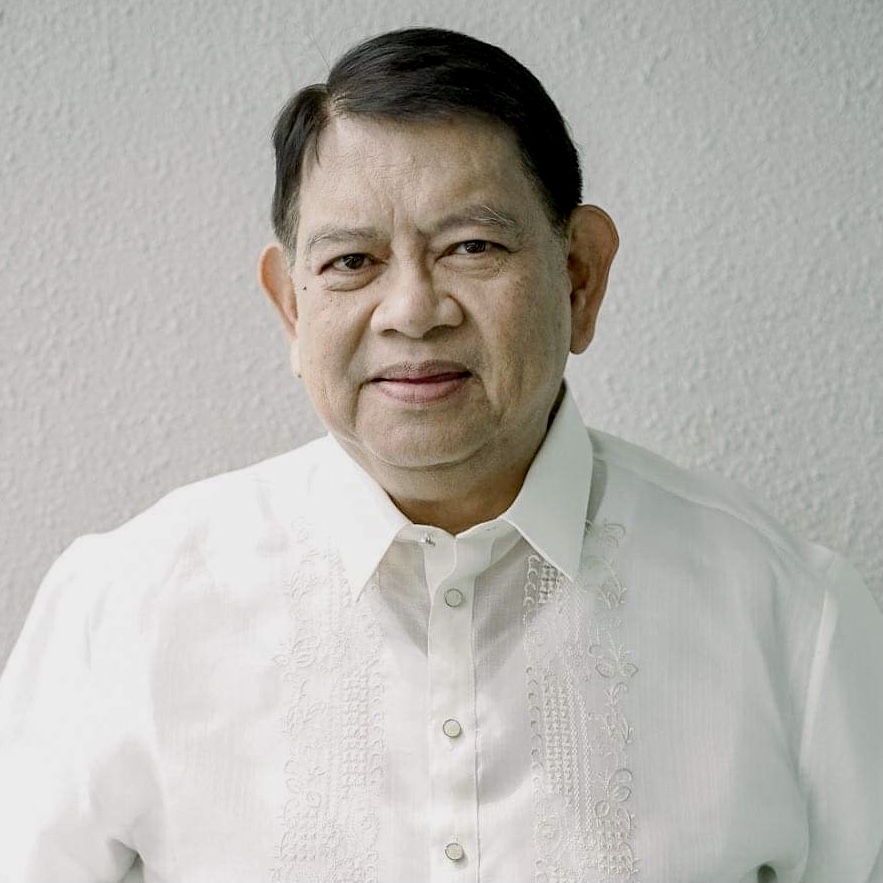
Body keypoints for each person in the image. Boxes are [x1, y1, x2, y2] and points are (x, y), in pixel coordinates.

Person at [1, 26, 881, 883]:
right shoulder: (121, 608)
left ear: (579, 275)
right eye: (352, 261)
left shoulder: (793, 619)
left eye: (471, 247)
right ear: (291, 307)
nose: (413, 312)